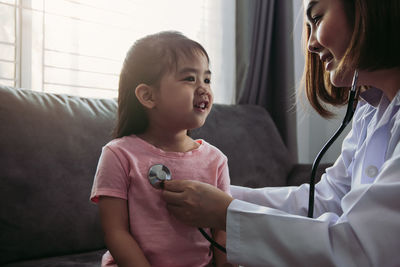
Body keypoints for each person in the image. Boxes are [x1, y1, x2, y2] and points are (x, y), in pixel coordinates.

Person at [162, 0, 400, 266]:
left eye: (318, 18)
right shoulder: (371, 113)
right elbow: (324, 201)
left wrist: (225, 212)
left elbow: (359, 249)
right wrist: (218, 193)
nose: (310, 44)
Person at [90, 31, 236, 267]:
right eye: (190, 79)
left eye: (207, 80)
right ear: (148, 96)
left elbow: (222, 230)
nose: (203, 89)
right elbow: (116, 232)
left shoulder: (216, 160)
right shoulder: (118, 154)